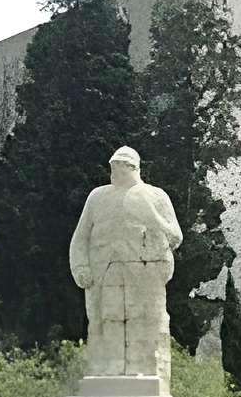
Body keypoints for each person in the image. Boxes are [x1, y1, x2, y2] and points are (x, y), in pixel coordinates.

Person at [68, 145, 183, 380]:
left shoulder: (156, 196)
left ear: (134, 168)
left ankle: (141, 367)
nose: (115, 172)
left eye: (121, 167)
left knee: (142, 319)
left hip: (143, 272)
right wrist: (80, 266)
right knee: (108, 318)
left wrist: (154, 219)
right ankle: (110, 368)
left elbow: (175, 237)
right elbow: (81, 237)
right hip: (105, 270)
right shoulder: (97, 197)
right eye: (113, 167)